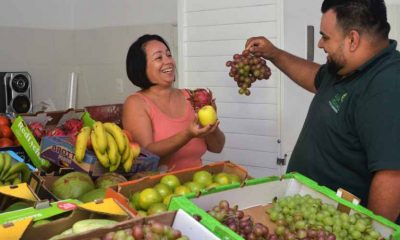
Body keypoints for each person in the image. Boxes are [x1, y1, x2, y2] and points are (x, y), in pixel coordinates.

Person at [246, 0, 400, 222]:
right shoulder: (346, 66)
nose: (320, 43)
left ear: (353, 40)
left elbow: (392, 176)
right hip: (308, 216)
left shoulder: (388, 85)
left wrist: (374, 232)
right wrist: (274, 54)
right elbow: (317, 78)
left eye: (325, 37)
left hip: (337, 226)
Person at [123, 34, 225, 171]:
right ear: (141, 67)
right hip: (158, 188)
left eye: (169, 55)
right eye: (159, 57)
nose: (168, 61)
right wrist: (187, 134)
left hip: (199, 184)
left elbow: (217, 147)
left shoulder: (192, 97)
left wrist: (211, 126)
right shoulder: (136, 103)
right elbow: (146, 154)